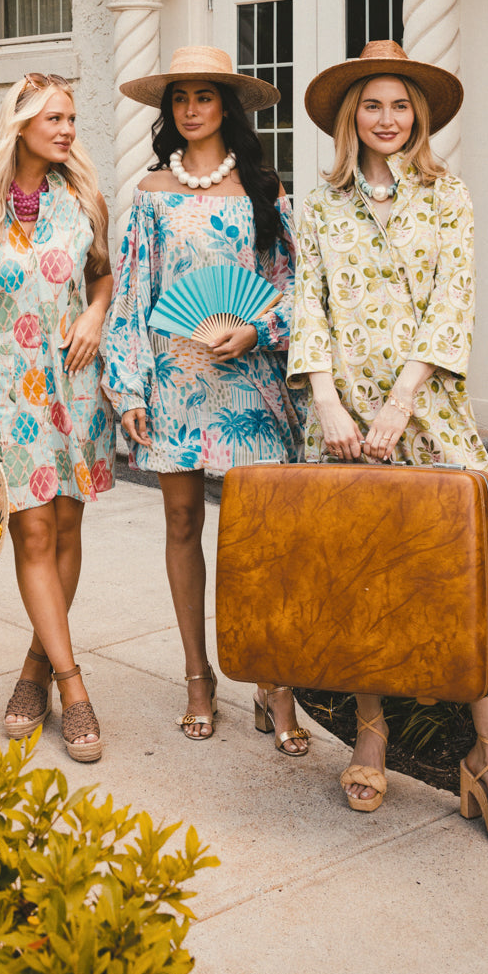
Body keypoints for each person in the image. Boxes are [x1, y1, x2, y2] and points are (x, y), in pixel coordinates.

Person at [288, 38, 488, 849]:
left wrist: (401, 403)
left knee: (477, 579)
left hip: (422, 411)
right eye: (371, 105)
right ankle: (370, 736)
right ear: (348, 118)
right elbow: (307, 305)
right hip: (343, 418)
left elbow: (452, 306)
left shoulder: (447, 195)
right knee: (363, 575)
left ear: (417, 116)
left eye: (399, 105)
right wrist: (327, 401)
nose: (386, 118)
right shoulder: (318, 204)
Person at [103, 47, 307, 750]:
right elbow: (132, 293)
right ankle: (198, 677)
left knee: (259, 539)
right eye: (179, 98)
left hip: (249, 381)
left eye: (204, 96)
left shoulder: (262, 189)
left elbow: (294, 284)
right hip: (176, 382)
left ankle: (272, 684)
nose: (190, 108)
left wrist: (256, 328)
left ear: (227, 107)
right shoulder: (152, 190)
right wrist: (127, 384)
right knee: (183, 525)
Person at [0, 73, 114, 763]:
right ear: (19, 124)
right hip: (3, 390)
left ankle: (33, 669)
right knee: (33, 533)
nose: (68, 129)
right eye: (54, 117)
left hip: (73, 388)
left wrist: (97, 313)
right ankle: (73, 688)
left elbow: (101, 274)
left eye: (72, 117)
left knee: (67, 525)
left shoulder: (83, 200)